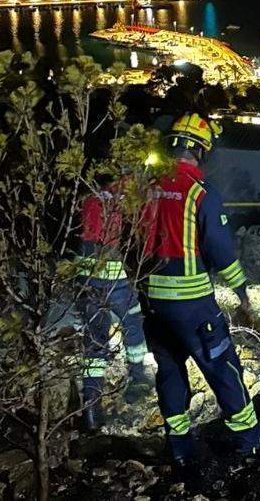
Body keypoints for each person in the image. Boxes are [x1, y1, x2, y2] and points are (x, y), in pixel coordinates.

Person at [141, 113, 260, 465]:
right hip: (193, 305)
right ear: (202, 151)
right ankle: (248, 440)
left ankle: (179, 448)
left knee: (169, 371)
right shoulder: (201, 193)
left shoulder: (147, 187)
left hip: (152, 304)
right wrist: (242, 294)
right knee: (223, 366)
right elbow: (222, 252)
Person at [77, 184, 152, 432]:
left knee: (95, 341)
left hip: (84, 279)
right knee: (132, 319)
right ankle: (138, 378)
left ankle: (90, 408)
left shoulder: (89, 197)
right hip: (110, 277)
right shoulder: (113, 200)